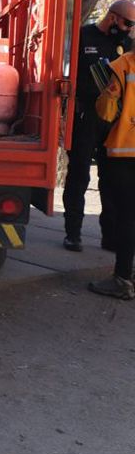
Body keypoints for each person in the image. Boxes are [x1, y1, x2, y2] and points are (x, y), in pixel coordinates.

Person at [62, 0, 134, 252]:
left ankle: (110, 236)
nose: (129, 29)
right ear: (113, 18)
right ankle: (73, 233)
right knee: (79, 174)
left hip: (114, 120)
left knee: (111, 178)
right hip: (86, 118)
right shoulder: (83, 36)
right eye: (127, 23)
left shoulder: (127, 45)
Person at [88, 28, 135, 300]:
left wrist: (104, 94)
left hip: (125, 153)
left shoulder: (121, 66)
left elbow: (106, 113)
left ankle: (122, 280)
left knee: (127, 218)